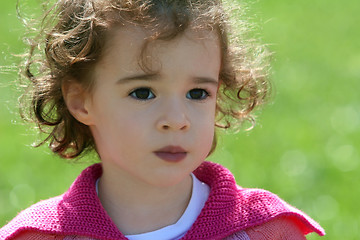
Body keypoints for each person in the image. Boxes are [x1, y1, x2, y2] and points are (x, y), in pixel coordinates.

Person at [0, 0, 325, 239]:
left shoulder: (264, 230)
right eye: (143, 92)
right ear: (80, 101)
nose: (176, 120)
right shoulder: (40, 236)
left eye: (197, 93)